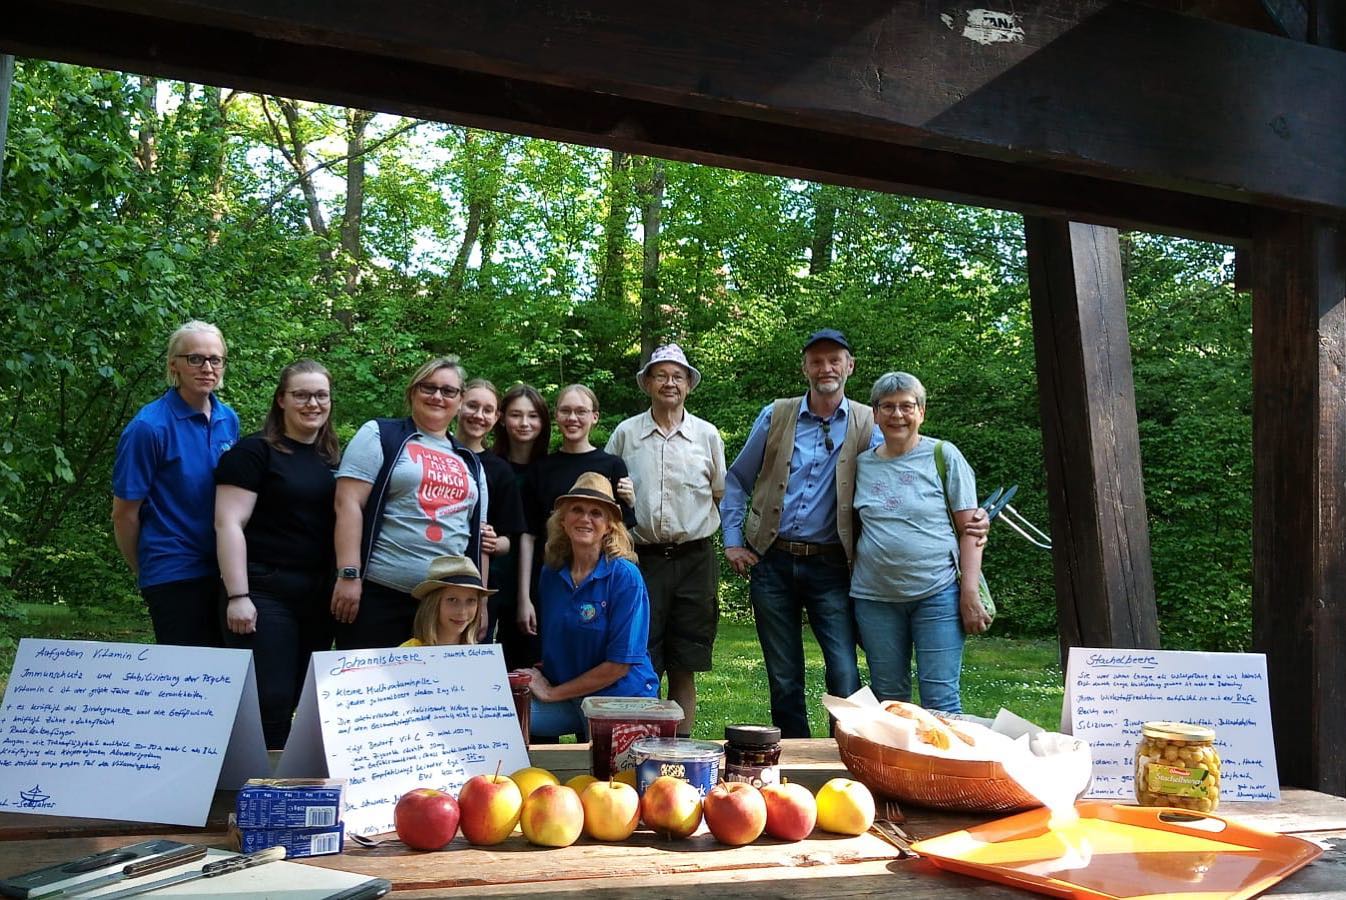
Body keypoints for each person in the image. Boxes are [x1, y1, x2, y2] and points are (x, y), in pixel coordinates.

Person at [214, 359, 338, 748]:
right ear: (281, 399)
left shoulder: (331, 458)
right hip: (264, 590)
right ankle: (259, 791)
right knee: (272, 697)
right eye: (301, 394)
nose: (312, 403)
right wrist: (238, 596)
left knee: (303, 697)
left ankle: (287, 787)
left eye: (321, 395)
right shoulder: (254, 453)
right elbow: (228, 523)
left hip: (318, 596)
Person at [851, 372, 990, 713]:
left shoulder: (945, 456)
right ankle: (895, 769)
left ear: (922, 412)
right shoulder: (859, 465)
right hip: (875, 599)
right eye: (888, 407)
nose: (897, 415)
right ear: (875, 413)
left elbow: (971, 531)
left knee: (941, 699)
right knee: (890, 700)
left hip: (938, 595)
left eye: (906, 406)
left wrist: (969, 593)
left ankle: (945, 769)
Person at [606, 344, 726, 737]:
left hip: (695, 558)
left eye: (678, 376)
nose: (669, 383)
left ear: (689, 384)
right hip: (643, 559)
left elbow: (721, 493)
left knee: (685, 658)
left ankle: (681, 748)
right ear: (647, 384)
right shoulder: (627, 433)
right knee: (642, 656)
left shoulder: (707, 435)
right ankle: (640, 745)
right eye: (661, 375)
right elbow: (607, 493)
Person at [331, 356, 487, 650]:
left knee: (434, 694)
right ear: (413, 391)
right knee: (370, 690)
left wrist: (479, 602)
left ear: (460, 400)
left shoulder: (471, 461)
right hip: (379, 594)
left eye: (448, 390)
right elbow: (348, 503)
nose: (437, 396)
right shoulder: (380, 434)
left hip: (443, 605)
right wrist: (349, 573)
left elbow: (477, 537)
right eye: (428, 387)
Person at [112, 320, 239, 647]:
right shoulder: (149, 427)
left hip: (224, 568)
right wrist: (145, 570)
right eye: (195, 359)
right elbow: (125, 514)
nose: (207, 367)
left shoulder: (229, 419)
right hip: (174, 571)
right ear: (174, 365)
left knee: (225, 675)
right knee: (185, 681)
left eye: (215, 359)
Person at [523, 472, 659, 738]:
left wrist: (551, 693)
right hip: (570, 696)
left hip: (621, 699)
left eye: (596, 513)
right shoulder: (551, 573)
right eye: (577, 510)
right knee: (507, 719)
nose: (585, 518)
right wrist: (534, 676)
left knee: (606, 776)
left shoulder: (625, 576)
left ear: (609, 525)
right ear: (563, 520)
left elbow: (620, 665)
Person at [516, 384, 635, 641]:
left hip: (600, 584)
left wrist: (631, 501)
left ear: (595, 416)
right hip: (550, 575)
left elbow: (623, 530)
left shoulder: (612, 465)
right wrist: (524, 597)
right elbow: (528, 535)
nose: (572, 418)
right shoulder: (541, 468)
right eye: (566, 411)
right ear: (556, 415)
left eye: (581, 411)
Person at [454, 379, 527, 641]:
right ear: (459, 405)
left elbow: (511, 539)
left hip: (478, 585)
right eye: (472, 406)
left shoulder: (499, 469)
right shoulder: (437, 452)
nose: (479, 415)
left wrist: (495, 542)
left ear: (497, 417)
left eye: (487, 410)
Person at [488, 383, 552, 668]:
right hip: (490, 572)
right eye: (516, 415)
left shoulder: (551, 469)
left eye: (533, 416)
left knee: (523, 661)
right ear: (501, 418)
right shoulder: (488, 464)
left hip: (534, 579)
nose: (524, 423)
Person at [401, 555, 493, 647]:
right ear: (432, 604)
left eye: (471, 601)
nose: (462, 612)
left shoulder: (480, 657)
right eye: (452, 600)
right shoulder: (407, 652)